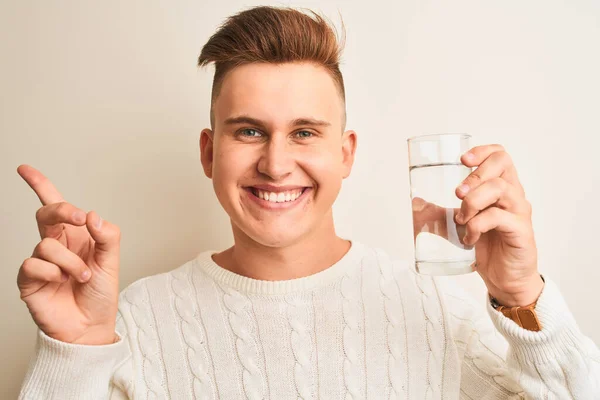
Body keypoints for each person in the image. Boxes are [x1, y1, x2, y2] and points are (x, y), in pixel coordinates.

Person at [17, 6, 599, 399]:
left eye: (303, 133)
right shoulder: (136, 324)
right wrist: (74, 352)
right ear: (208, 152)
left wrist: (525, 299)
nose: (274, 164)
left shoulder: (437, 312)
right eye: (248, 131)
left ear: (345, 154)